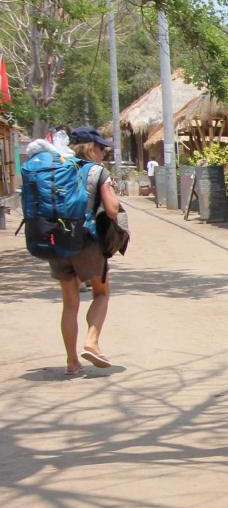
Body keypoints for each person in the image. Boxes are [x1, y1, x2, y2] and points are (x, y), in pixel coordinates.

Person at [56, 127, 120, 376]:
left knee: (70, 303)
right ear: (91, 148)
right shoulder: (97, 171)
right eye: (101, 148)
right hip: (88, 242)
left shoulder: (56, 169)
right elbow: (112, 209)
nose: (103, 153)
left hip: (57, 243)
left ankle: (72, 362)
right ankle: (91, 342)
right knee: (101, 293)